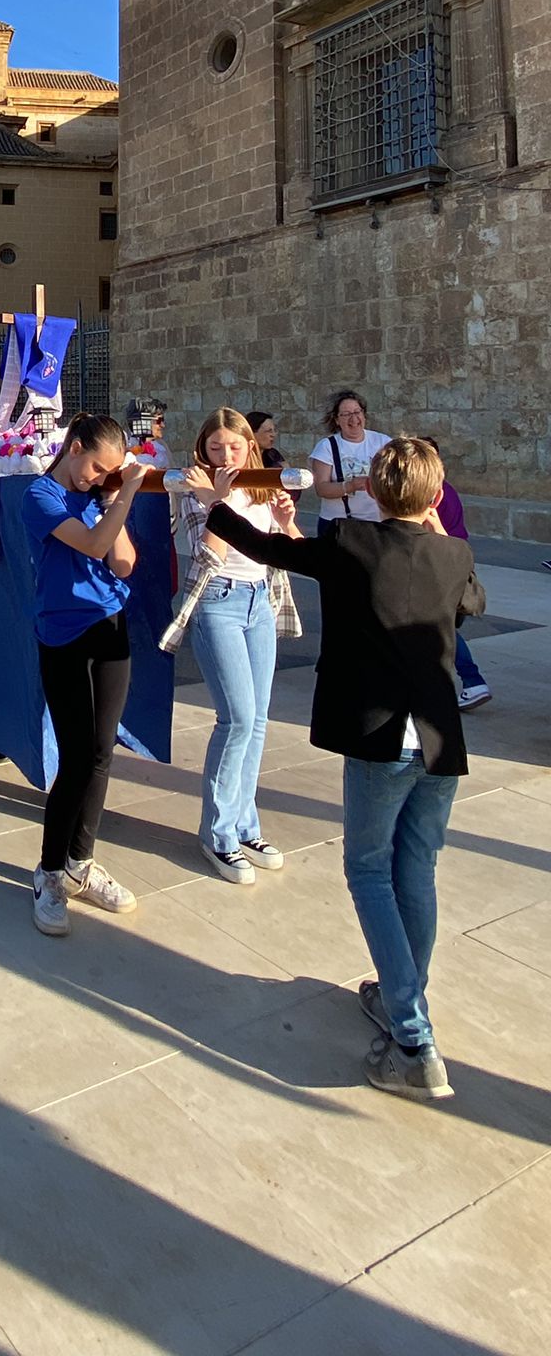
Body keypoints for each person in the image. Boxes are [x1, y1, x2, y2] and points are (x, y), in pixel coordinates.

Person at [202, 435, 485, 1103]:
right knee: (415, 870)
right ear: (435, 494)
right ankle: (397, 995)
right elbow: (469, 602)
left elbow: (271, 551)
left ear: (373, 491)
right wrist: (439, 524)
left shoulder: (355, 543)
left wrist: (221, 503)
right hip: (440, 744)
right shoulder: (455, 554)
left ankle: (413, 1038)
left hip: (384, 740)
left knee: (368, 870)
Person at [21, 412, 147, 936]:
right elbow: (93, 546)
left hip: (111, 625)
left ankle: (81, 862)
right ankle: (49, 872)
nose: (100, 476)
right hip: (63, 632)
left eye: (110, 471)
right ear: (74, 447)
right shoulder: (40, 496)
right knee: (74, 758)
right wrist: (126, 494)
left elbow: (122, 563)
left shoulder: (101, 497)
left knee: (101, 751)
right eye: (96, 466)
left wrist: (110, 499)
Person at [181, 408, 300, 884]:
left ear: (250, 446)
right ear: (202, 449)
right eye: (215, 448)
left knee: (259, 721)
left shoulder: (265, 485)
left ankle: (245, 824)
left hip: (260, 602)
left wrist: (287, 522)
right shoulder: (194, 487)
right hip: (218, 600)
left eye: (234, 446)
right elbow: (208, 553)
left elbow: (291, 549)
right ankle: (217, 832)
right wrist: (216, 502)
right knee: (237, 719)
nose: (225, 455)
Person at [419, 440, 491, 710]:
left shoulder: (434, 494)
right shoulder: (444, 490)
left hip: (439, 566)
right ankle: (470, 681)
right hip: (450, 563)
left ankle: (472, 681)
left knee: (440, 626)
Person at [310, 390, 392, 534]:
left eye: (357, 412)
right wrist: (351, 485)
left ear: (363, 414)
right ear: (336, 420)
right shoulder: (326, 447)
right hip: (338, 525)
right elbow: (321, 489)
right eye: (346, 414)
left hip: (376, 522)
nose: (353, 419)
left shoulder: (383, 442)